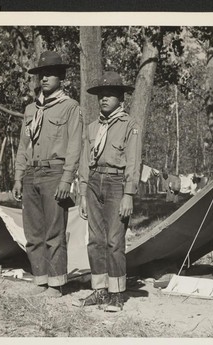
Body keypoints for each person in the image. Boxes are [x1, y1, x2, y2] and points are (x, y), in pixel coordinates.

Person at [12, 50, 82, 297]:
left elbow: (75, 145)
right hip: (31, 173)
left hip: (54, 173)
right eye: (41, 74)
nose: (44, 78)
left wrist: (67, 178)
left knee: (54, 232)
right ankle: (40, 280)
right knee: (33, 233)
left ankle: (57, 283)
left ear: (61, 77)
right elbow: (23, 145)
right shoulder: (31, 109)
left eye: (50, 74)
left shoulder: (70, 107)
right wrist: (19, 177)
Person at [74, 71, 142, 312]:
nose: (103, 99)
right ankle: (100, 290)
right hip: (93, 182)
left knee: (114, 240)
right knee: (95, 240)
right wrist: (82, 192)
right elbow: (84, 160)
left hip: (116, 183)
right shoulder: (93, 127)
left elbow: (133, 162)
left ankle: (117, 294)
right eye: (100, 95)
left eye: (109, 95)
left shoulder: (129, 125)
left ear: (121, 98)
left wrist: (128, 194)